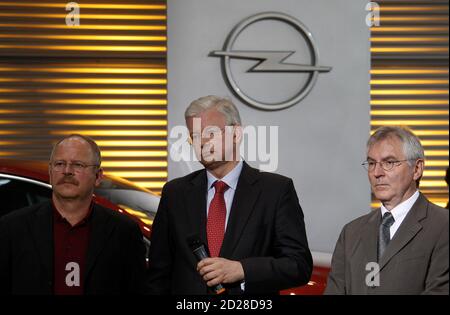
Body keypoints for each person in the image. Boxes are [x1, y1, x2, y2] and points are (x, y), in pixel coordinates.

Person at [147, 95, 312, 294]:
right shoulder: (175, 193)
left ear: (236, 134)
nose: (202, 143)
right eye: (195, 136)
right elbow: (159, 274)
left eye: (211, 133)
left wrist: (242, 269)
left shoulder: (275, 190)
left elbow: (298, 265)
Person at [0, 134, 147, 294]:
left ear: (98, 176)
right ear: (50, 172)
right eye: (60, 164)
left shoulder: (124, 232)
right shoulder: (12, 228)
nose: (67, 171)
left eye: (78, 165)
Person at [325, 126, 449, 295]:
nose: (377, 173)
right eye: (371, 163)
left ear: (417, 169)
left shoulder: (443, 226)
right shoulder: (351, 233)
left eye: (389, 163)